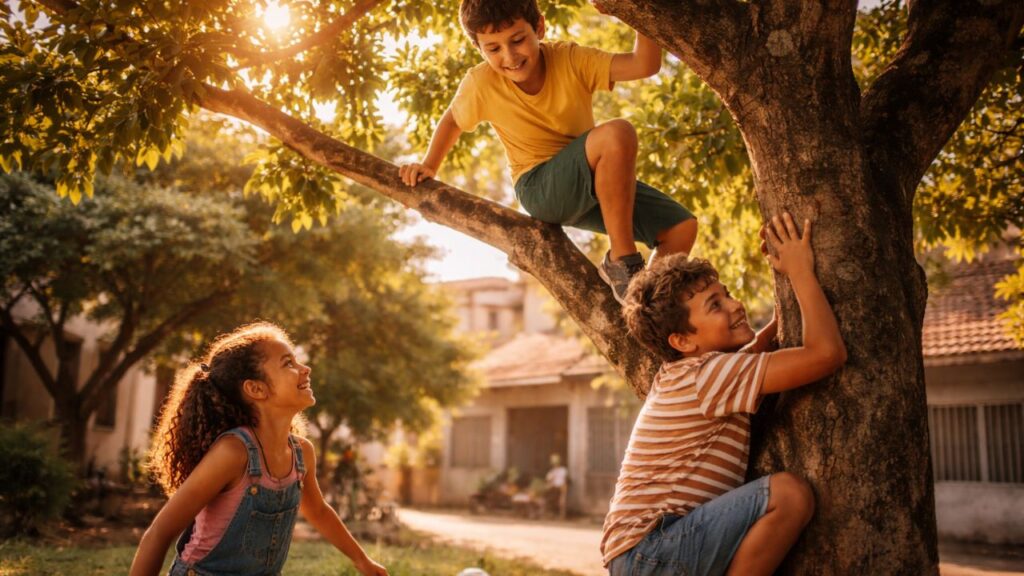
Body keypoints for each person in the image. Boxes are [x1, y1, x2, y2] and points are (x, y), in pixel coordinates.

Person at [398, 0, 698, 303]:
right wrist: (430, 164)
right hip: (538, 187)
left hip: (593, 182)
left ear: (539, 27)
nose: (510, 56)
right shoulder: (481, 83)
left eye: (517, 40)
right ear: (479, 48)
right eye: (494, 49)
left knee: (680, 228)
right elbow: (452, 119)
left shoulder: (568, 58)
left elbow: (644, 64)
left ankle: (647, 307)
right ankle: (623, 263)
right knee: (617, 134)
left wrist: (638, 10)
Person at [602, 213, 847, 575]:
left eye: (726, 294)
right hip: (653, 548)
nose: (734, 305)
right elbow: (827, 354)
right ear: (683, 341)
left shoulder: (688, 374)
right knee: (789, 494)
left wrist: (786, 287)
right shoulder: (711, 376)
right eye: (715, 305)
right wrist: (799, 271)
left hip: (640, 554)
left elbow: (761, 348)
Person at [129, 322, 387, 576]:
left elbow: (317, 510)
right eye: (288, 363)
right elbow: (159, 533)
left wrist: (362, 560)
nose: (305, 369)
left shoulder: (301, 453)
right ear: (256, 389)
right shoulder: (233, 453)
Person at [545, 453, 569, 519]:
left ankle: (562, 515)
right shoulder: (552, 471)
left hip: (561, 487)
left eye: (556, 463)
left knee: (562, 502)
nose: (555, 465)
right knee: (550, 498)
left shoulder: (563, 470)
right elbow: (548, 480)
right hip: (554, 488)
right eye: (554, 463)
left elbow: (566, 480)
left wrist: (564, 486)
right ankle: (552, 514)